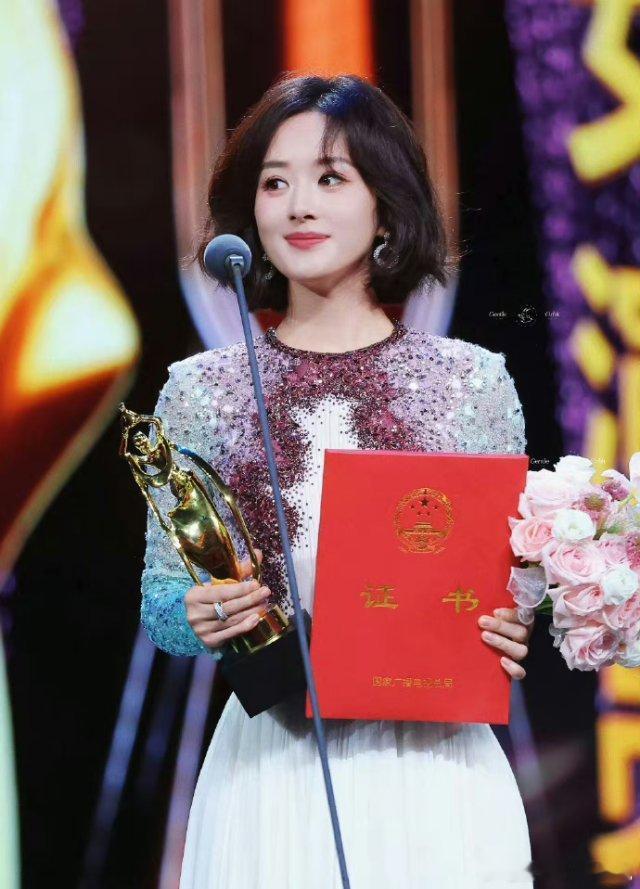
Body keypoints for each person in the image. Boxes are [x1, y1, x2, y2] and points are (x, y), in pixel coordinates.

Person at [140, 73, 534, 888]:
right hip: (271, 767)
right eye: (274, 183)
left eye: (329, 178)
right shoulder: (201, 391)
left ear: (386, 205)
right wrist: (200, 614)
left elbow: (511, 580)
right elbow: (162, 603)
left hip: (436, 764)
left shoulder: (473, 382)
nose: (298, 206)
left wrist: (515, 622)